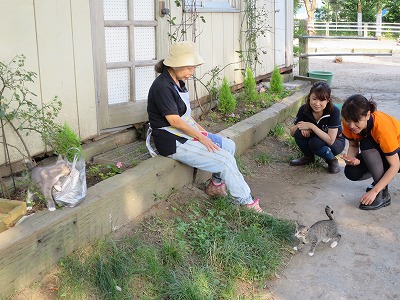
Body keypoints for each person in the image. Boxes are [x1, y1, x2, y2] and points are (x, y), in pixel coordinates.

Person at [146, 41, 262, 212]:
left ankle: (215, 185)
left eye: (193, 68)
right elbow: (175, 121)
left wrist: (204, 133)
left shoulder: (177, 82)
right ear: (175, 65)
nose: (192, 73)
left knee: (228, 145)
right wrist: (201, 138)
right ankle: (247, 203)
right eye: (189, 68)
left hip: (183, 133)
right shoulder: (162, 87)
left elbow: (186, 117)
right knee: (226, 161)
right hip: (171, 141)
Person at [341, 94, 400, 210]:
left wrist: (374, 191)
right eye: (348, 121)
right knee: (352, 171)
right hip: (382, 154)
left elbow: (395, 165)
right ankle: (380, 184)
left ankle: (382, 194)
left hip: (397, 156)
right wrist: (351, 159)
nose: (352, 126)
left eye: (356, 121)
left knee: (366, 143)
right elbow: (353, 144)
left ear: (368, 114)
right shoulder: (348, 121)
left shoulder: (382, 127)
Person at [289, 81, 345, 174]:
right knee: (299, 133)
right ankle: (308, 157)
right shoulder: (304, 109)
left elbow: (331, 140)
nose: (317, 103)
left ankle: (331, 160)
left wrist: (311, 126)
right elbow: (292, 132)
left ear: (328, 100)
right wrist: (301, 126)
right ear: (309, 97)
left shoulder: (334, 111)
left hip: (335, 142)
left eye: (322, 100)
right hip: (315, 138)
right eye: (314, 99)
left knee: (315, 142)